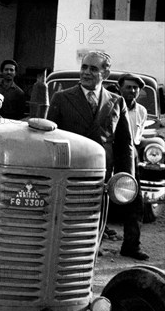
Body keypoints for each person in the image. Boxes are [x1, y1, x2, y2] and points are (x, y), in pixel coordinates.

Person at [47, 51, 134, 253]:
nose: (86, 72)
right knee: (65, 225)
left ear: (106, 73)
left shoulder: (116, 102)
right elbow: (50, 140)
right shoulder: (61, 98)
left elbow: (124, 145)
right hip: (69, 175)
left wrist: (124, 180)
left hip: (100, 177)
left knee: (94, 225)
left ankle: (89, 261)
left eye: (93, 68)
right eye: (84, 67)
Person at [113, 73, 149, 260]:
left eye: (136, 88)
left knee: (135, 203)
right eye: (128, 87)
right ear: (120, 88)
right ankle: (94, 245)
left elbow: (136, 138)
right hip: (110, 154)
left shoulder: (141, 111)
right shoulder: (111, 105)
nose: (132, 91)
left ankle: (131, 245)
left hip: (130, 157)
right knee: (100, 200)